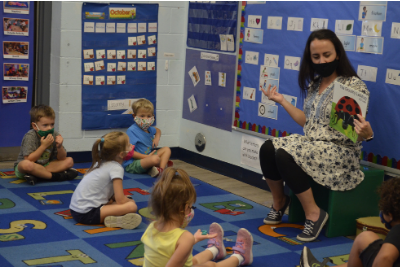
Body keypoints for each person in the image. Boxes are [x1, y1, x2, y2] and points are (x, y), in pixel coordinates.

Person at [259, 29, 374, 242]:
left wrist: (367, 135)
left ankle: (314, 213)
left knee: (285, 153)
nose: (322, 60)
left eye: (327, 55)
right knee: (268, 148)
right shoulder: (314, 84)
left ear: (337, 54)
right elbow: (308, 122)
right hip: (313, 145)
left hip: (340, 152)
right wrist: (282, 101)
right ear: (310, 59)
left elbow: (353, 132)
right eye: (316, 57)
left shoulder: (352, 86)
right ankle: (279, 202)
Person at [141, 168, 253, 266]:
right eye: (190, 207)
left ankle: (215, 249)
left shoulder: (152, 227)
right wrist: (190, 240)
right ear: (182, 208)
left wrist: (194, 240)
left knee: (191, 261)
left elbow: (167, 249)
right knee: (210, 266)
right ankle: (240, 257)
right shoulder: (185, 238)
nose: (190, 211)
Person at [300, 178, 400, 267]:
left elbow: (385, 258)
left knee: (364, 238)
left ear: (390, 215)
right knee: (362, 257)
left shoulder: (397, 229)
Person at [70, 131, 142, 229]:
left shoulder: (100, 162)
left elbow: (111, 193)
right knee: (131, 206)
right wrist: (128, 202)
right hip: (86, 214)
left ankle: (113, 215)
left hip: (76, 210)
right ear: (121, 154)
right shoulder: (116, 168)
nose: (132, 146)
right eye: (129, 145)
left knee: (127, 199)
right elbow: (120, 199)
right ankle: (116, 220)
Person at [14, 105, 78, 185]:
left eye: (52, 124)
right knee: (26, 164)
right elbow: (29, 159)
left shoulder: (54, 134)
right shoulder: (30, 136)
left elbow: (62, 158)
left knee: (69, 161)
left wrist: (59, 146)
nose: (49, 128)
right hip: (27, 167)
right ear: (35, 126)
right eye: (45, 125)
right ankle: (55, 177)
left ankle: (38, 176)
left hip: (45, 166)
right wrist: (43, 146)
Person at [123, 98, 172, 177]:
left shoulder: (149, 128)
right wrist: (147, 157)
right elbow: (130, 152)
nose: (146, 119)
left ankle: (161, 171)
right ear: (134, 116)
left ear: (153, 116)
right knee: (155, 159)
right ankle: (160, 164)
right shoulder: (132, 131)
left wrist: (157, 137)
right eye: (142, 116)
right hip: (133, 163)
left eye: (149, 116)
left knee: (167, 149)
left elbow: (157, 130)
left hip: (148, 158)